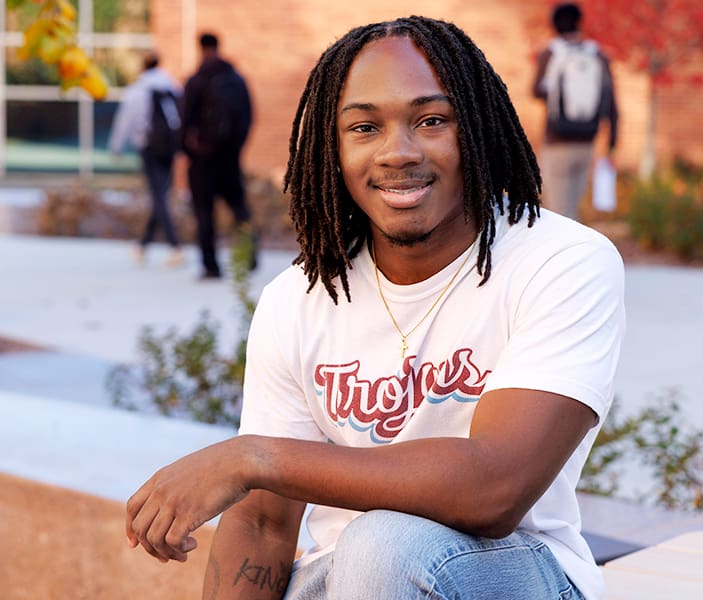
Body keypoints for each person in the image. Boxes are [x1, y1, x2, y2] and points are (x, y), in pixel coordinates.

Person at [126, 16, 625, 600]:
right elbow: (264, 524)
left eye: (432, 120)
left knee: (382, 544)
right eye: (364, 127)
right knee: (345, 565)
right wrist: (255, 468)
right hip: (343, 582)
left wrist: (252, 458)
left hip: (510, 577)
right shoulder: (300, 298)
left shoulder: (561, 261)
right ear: (332, 150)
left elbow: (496, 487)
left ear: (476, 130)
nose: (398, 153)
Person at [532, 2, 618, 221]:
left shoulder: (551, 53)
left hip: (556, 142)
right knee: (573, 212)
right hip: (587, 141)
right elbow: (612, 102)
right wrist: (611, 144)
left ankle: (566, 254)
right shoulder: (598, 55)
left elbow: (535, 91)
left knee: (557, 214)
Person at [181, 32, 256, 279]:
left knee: (204, 213)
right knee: (239, 208)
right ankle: (250, 255)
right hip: (229, 158)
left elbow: (183, 121)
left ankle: (211, 266)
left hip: (202, 160)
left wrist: (190, 150)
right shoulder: (236, 80)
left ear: (201, 48)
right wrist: (235, 148)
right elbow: (248, 117)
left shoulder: (196, 80)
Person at [109, 51, 184, 267]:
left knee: (158, 196)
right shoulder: (171, 86)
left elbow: (124, 121)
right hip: (169, 148)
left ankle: (174, 246)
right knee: (160, 194)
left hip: (148, 148)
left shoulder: (136, 91)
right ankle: (143, 245)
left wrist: (116, 147)